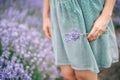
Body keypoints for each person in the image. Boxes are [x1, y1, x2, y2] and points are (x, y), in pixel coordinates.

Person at [43, 0, 119, 80]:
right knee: (68, 74)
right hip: (59, 10)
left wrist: (106, 15)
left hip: (86, 10)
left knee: (84, 76)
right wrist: (45, 16)